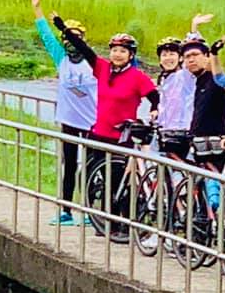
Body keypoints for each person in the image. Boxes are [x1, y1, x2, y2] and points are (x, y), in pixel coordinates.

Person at [54, 18, 159, 240]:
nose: (118, 54)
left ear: (131, 55)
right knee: (98, 179)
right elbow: (85, 49)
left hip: (121, 136)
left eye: (123, 51)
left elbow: (154, 95)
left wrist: (155, 110)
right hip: (99, 133)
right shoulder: (101, 68)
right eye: (115, 50)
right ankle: (103, 221)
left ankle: (123, 223)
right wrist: (63, 28)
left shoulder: (137, 77)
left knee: (120, 181)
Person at [32, 0, 98, 225]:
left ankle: (91, 211)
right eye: (67, 39)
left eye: (76, 38)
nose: (71, 43)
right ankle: (67, 210)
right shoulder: (60, 59)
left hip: (92, 122)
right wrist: (37, 8)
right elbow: (46, 36)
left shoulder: (94, 63)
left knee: (91, 168)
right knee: (69, 166)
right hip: (69, 122)